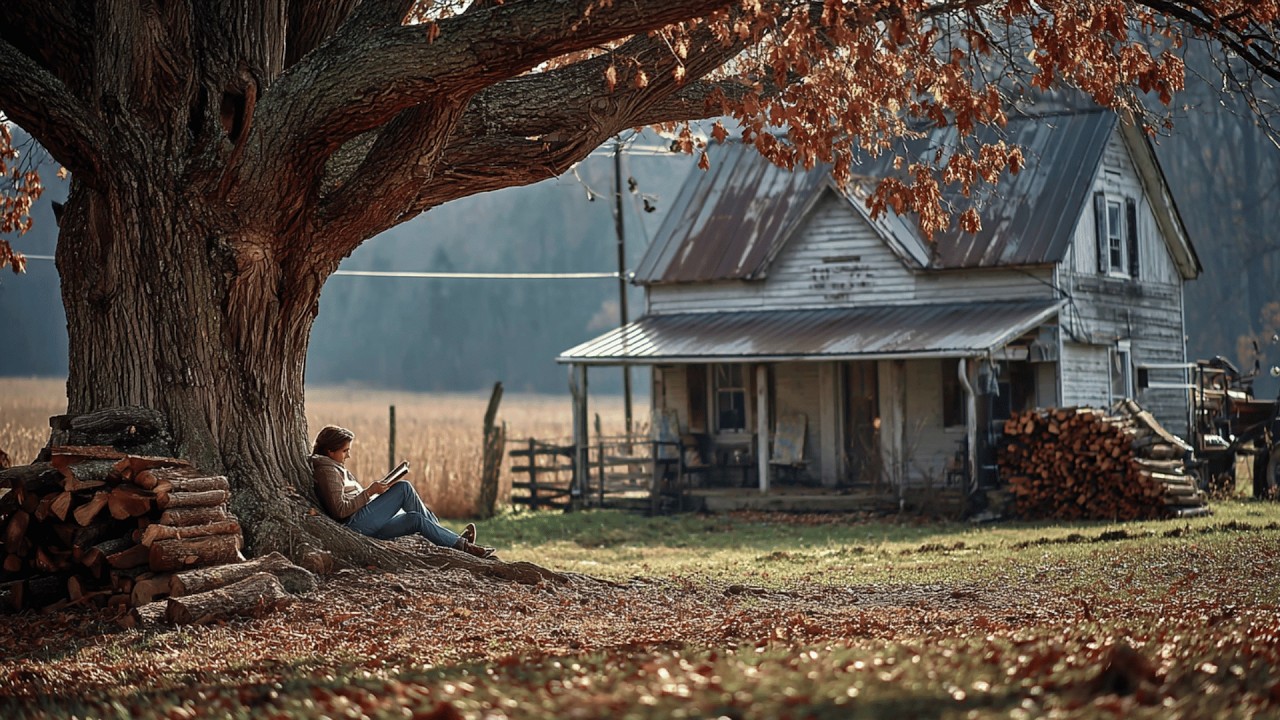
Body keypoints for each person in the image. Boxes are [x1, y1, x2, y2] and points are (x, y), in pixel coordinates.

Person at [310, 425, 495, 558]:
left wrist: (375, 491)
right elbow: (339, 510)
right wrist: (369, 492)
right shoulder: (327, 470)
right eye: (344, 451)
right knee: (404, 488)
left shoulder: (335, 466)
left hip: (365, 520)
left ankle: (454, 542)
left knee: (415, 519)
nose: (348, 455)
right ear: (330, 451)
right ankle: (463, 546)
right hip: (355, 525)